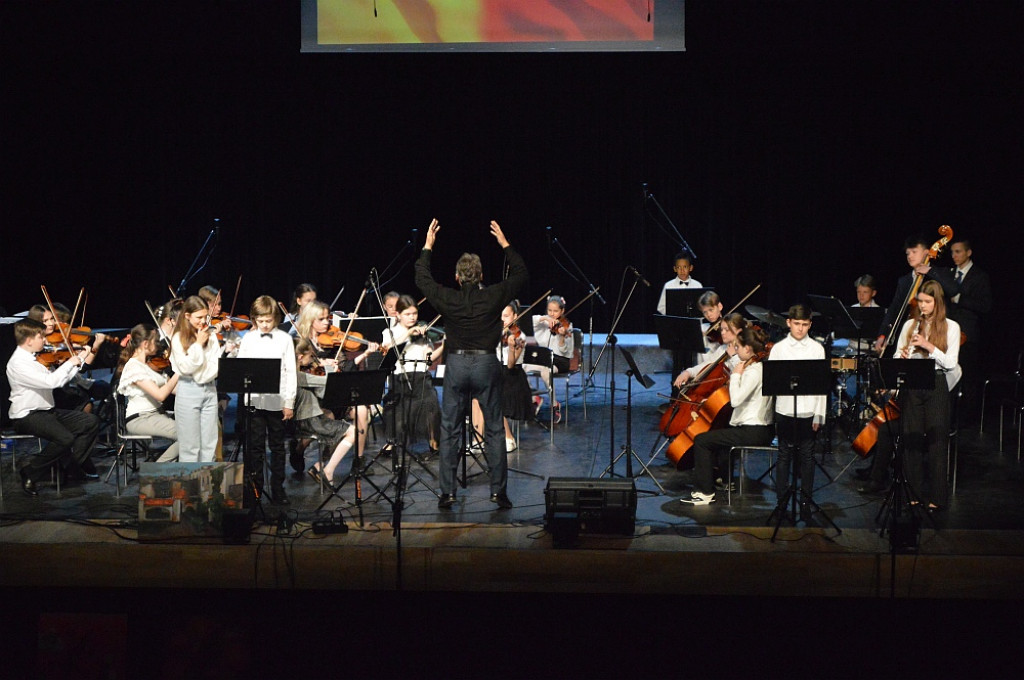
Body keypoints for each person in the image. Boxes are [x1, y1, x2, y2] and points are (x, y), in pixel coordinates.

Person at [414, 218, 527, 510]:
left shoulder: (448, 297)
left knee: (450, 429)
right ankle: (498, 493)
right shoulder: (492, 295)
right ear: (480, 276)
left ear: (456, 277)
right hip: (486, 364)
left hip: (457, 365)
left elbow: (422, 279)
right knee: (493, 429)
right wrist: (504, 243)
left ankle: (448, 493)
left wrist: (428, 246)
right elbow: (521, 273)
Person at [680, 326, 774, 505]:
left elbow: (736, 400)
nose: (736, 352)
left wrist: (737, 376)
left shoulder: (754, 371)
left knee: (702, 440)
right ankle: (722, 480)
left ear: (748, 349)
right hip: (753, 428)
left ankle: (705, 492)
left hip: (755, 431)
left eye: (738, 348)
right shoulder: (755, 367)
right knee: (718, 433)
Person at [6, 318, 100, 495]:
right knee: (65, 439)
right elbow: (50, 382)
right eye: (41, 337)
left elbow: (60, 379)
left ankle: (67, 466)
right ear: (29, 340)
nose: (45, 340)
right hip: (27, 415)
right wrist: (71, 362)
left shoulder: (37, 359)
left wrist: (79, 358)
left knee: (90, 422)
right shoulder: (18, 363)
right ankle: (32, 471)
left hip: (47, 412)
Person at [895, 280, 961, 511]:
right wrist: (901, 358)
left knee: (936, 440)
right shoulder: (910, 325)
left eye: (927, 302)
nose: (922, 306)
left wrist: (928, 346)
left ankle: (937, 497)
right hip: (913, 382)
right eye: (920, 301)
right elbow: (896, 356)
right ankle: (912, 493)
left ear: (937, 302)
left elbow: (951, 363)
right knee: (911, 438)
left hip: (936, 382)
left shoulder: (951, 327)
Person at [236, 295, 297, 505]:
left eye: (268, 321)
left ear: (276, 319)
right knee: (255, 448)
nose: (264, 325)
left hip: (277, 400)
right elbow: (241, 368)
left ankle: (278, 489)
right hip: (254, 401)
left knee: (278, 447)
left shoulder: (285, 339)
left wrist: (289, 402)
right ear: (254, 319)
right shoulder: (249, 339)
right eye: (260, 321)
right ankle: (255, 490)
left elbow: (290, 372)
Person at [769, 303, 827, 515]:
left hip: (808, 411)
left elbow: (821, 386)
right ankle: (781, 500)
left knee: (807, 456)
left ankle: (805, 501)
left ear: (810, 324)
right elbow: (773, 383)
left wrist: (819, 413)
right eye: (796, 324)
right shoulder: (778, 349)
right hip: (785, 410)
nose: (800, 329)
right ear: (788, 323)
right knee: (784, 455)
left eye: (804, 324)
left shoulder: (817, 349)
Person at [929, 239, 991, 424]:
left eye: (958, 252)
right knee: (946, 375)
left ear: (968, 252)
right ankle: (946, 416)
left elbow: (985, 306)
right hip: (947, 333)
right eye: (953, 252)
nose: (955, 256)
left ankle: (966, 421)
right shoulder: (948, 274)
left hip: (967, 334)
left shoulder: (980, 276)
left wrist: (959, 298)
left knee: (968, 377)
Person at [873, 235, 957, 356]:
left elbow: (953, 290)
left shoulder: (939, 273)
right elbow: (894, 309)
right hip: (908, 333)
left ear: (927, 252)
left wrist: (929, 271)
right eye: (908, 253)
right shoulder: (904, 281)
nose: (910, 256)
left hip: (934, 333)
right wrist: (883, 335)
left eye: (914, 252)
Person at [380, 295, 443, 453]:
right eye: (407, 314)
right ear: (398, 314)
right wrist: (408, 334)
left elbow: (428, 360)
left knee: (432, 405)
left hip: (421, 377)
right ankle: (393, 442)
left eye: (414, 314)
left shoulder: (423, 333)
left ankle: (434, 441)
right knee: (397, 410)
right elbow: (387, 349)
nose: (412, 317)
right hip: (400, 377)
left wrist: (444, 345)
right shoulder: (389, 331)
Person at [170, 295, 227, 462]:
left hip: (209, 389)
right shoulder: (178, 337)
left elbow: (216, 366)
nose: (203, 321)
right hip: (188, 390)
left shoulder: (211, 336)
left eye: (206, 317)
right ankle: (190, 486)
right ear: (187, 316)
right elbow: (185, 368)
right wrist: (197, 346)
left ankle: (206, 486)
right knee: (190, 446)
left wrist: (199, 373)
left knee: (209, 443)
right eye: (199, 317)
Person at [294, 339, 359, 486]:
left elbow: (323, 393)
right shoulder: (299, 376)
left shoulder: (299, 373)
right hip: (309, 420)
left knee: (332, 418)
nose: (312, 361)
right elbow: (327, 383)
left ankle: (319, 466)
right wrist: (329, 368)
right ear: (299, 357)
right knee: (353, 432)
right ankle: (327, 470)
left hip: (311, 417)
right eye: (311, 357)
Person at [115, 323, 181, 462]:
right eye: (156, 341)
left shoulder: (150, 365)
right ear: (145, 344)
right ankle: (157, 472)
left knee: (193, 429)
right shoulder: (134, 368)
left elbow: (174, 389)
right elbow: (160, 395)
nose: (158, 345)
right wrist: (179, 373)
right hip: (140, 419)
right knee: (187, 436)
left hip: (156, 415)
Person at [528, 295, 575, 423]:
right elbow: (529, 320)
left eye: (555, 311)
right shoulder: (542, 323)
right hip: (543, 358)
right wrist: (544, 318)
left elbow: (567, 352)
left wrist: (561, 338)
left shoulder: (567, 326)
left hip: (560, 360)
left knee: (545, 371)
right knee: (519, 365)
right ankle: (534, 398)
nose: (552, 314)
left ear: (562, 311)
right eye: (550, 311)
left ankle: (554, 405)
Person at [656, 250, 703, 316]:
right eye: (679, 267)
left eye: (685, 267)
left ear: (691, 268)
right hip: (674, 322)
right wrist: (672, 314)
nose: (682, 270)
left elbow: (703, 306)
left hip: (693, 322)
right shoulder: (668, 285)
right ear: (675, 269)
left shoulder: (697, 285)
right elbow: (661, 307)